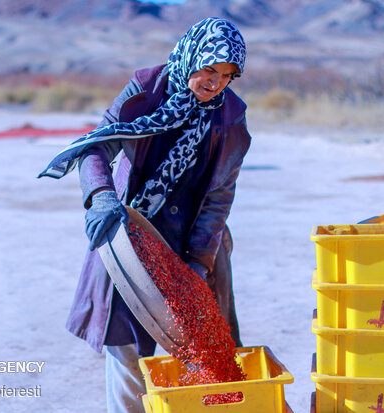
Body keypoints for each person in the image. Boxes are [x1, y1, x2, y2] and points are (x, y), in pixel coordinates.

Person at [38, 17, 251, 413]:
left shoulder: (230, 115)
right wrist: (101, 197)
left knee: (197, 358)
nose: (216, 83)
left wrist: (197, 267)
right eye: (209, 69)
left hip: (193, 247)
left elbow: (219, 196)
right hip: (131, 243)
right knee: (129, 354)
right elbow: (96, 147)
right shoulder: (147, 90)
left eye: (227, 75)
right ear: (191, 57)